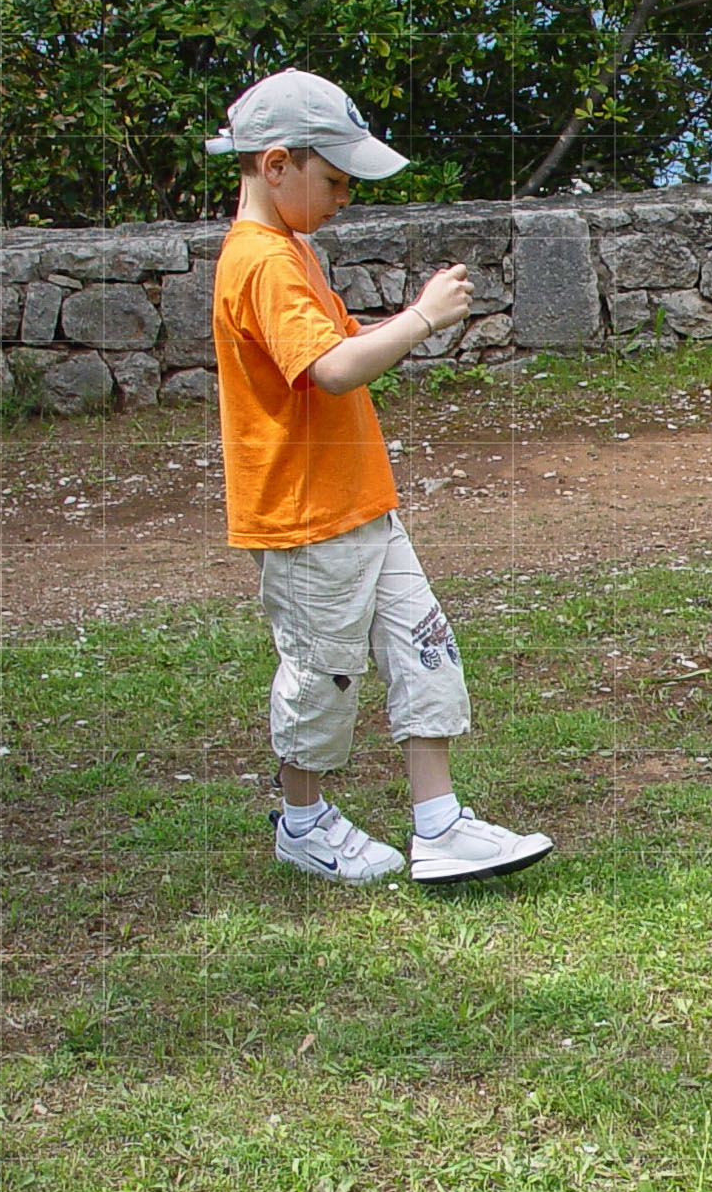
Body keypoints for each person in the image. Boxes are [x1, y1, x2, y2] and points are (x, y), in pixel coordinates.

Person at [207, 68, 552, 886]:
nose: (343, 200)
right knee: (323, 672)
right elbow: (329, 369)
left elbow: (337, 347)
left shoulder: (291, 250)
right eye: (334, 181)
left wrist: (396, 327)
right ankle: (303, 821)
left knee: (421, 642)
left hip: (360, 503)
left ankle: (440, 823)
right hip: (305, 520)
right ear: (277, 164)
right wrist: (422, 319)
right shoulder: (259, 262)